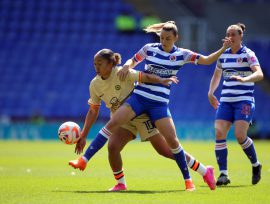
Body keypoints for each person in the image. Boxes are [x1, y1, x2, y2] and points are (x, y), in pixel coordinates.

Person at [72, 21, 231, 191]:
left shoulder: (182, 54)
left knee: (168, 147)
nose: (163, 41)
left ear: (176, 38)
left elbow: (206, 61)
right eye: (161, 37)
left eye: (168, 38)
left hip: (154, 107)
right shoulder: (149, 48)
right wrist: (126, 65)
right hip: (137, 101)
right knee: (112, 141)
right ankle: (93, 166)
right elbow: (133, 60)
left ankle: (200, 173)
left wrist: (223, 50)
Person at [207, 23, 264, 186]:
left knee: (240, 135)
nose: (230, 37)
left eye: (233, 34)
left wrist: (244, 79)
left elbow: (259, 74)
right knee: (219, 133)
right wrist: (211, 92)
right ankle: (223, 174)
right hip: (226, 101)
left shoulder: (248, 54)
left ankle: (256, 165)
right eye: (228, 34)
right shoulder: (223, 55)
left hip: (244, 100)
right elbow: (217, 75)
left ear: (240, 36)